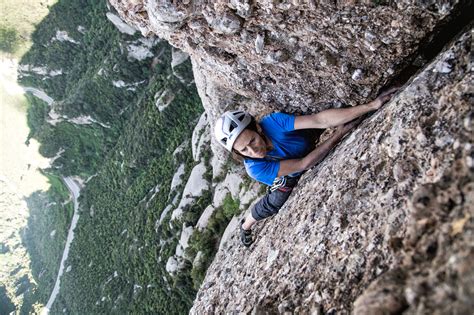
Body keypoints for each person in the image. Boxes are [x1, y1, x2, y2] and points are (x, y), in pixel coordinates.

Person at [213, 88, 398, 247]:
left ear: (258, 129)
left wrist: (372, 105)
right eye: (244, 150)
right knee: (275, 201)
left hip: (304, 141)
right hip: (288, 171)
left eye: (252, 140)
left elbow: (319, 121)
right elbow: (304, 164)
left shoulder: (274, 123)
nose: (253, 150)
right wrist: (340, 133)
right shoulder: (255, 167)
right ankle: (246, 224)